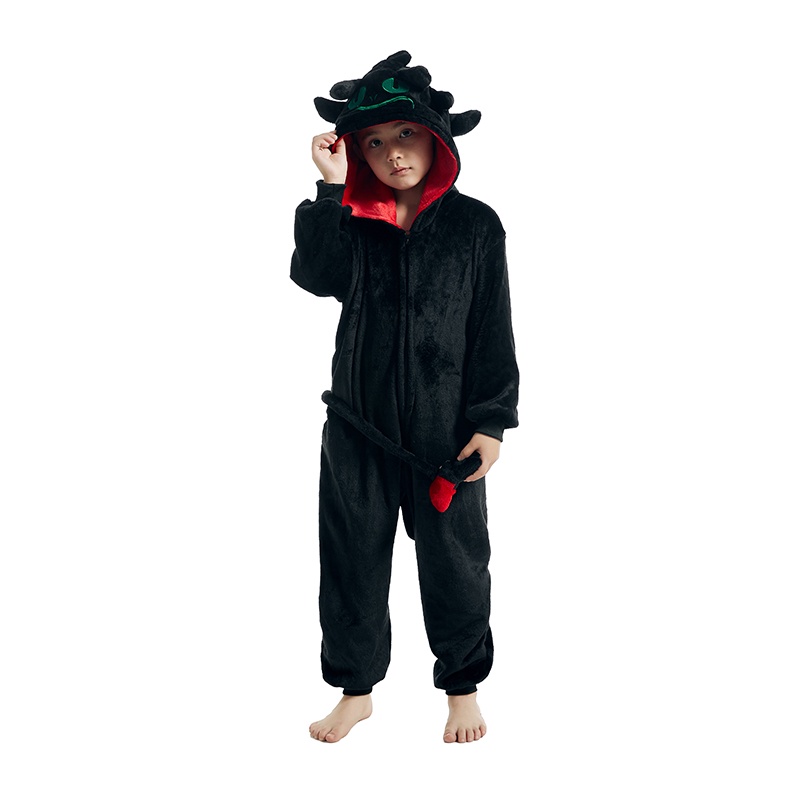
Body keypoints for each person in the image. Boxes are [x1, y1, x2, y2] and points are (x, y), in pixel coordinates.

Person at [290, 51, 519, 744]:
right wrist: (329, 190)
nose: (393, 153)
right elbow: (314, 275)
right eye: (373, 142)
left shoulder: (476, 226)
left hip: (445, 437)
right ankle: (355, 691)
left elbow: (492, 329)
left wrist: (490, 422)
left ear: (436, 138)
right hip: (357, 430)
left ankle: (462, 687)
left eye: (407, 134)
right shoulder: (352, 223)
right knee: (352, 560)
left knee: (456, 563)